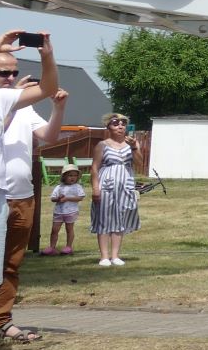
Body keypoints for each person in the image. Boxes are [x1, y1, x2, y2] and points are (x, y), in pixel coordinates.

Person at [0, 30, 57, 350]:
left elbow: (47, 89)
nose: (9, 77)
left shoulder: (1, 101)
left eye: (14, 72)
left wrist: (46, 55)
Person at [0, 67, 65, 345]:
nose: (9, 77)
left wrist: (58, 108)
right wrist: (12, 99)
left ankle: (0, 322)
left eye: (14, 72)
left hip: (22, 196)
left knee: (10, 265)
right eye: (2, 72)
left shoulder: (25, 108)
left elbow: (50, 136)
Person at [89, 113, 139, 266]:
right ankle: (104, 256)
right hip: (107, 184)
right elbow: (95, 168)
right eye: (116, 123)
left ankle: (115, 255)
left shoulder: (131, 144)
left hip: (125, 184)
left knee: (120, 217)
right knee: (104, 217)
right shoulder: (102, 145)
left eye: (123, 123)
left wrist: (134, 147)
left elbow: (139, 163)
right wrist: (96, 188)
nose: (120, 126)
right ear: (108, 127)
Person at [47, 167, 85, 256]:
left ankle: (68, 247)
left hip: (71, 212)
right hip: (58, 212)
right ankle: (52, 247)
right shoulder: (59, 187)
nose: (73, 178)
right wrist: (58, 198)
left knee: (69, 229)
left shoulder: (77, 187)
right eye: (70, 175)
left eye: (75, 176)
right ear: (64, 176)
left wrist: (67, 198)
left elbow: (80, 198)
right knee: (54, 230)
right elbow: (52, 199)